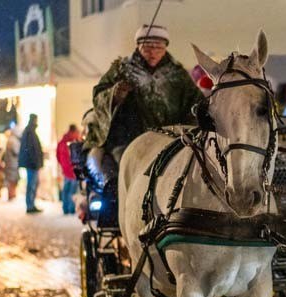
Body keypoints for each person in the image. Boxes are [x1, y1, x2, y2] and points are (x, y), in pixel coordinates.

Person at [86, 24, 202, 184]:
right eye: (148, 48)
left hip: (169, 141)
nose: (153, 52)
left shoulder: (178, 75)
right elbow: (99, 96)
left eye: (158, 47)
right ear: (138, 46)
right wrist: (115, 94)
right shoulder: (122, 69)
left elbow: (195, 105)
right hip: (127, 141)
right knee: (123, 178)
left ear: (165, 48)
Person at [18, 114, 44, 213]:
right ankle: (30, 205)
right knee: (31, 184)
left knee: (33, 184)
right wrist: (35, 161)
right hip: (32, 164)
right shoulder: (30, 132)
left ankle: (31, 204)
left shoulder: (30, 131)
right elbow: (31, 150)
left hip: (32, 163)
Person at [56, 124, 81, 215]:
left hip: (66, 170)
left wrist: (63, 165)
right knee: (72, 190)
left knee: (66, 190)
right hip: (72, 170)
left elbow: (58, 156)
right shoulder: (73, 143)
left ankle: (65, 208)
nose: (77, 134)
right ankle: (70, 209)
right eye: (76, 132)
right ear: (72, 132)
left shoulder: (61, 142)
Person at [2, 125, 22, 201]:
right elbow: (16, 151)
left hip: (11, 164)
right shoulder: (13, 140)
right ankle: (11, 195)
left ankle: (12, 194)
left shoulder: (11, 140)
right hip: (12, 164)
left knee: (12, 180)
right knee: (12, 180)